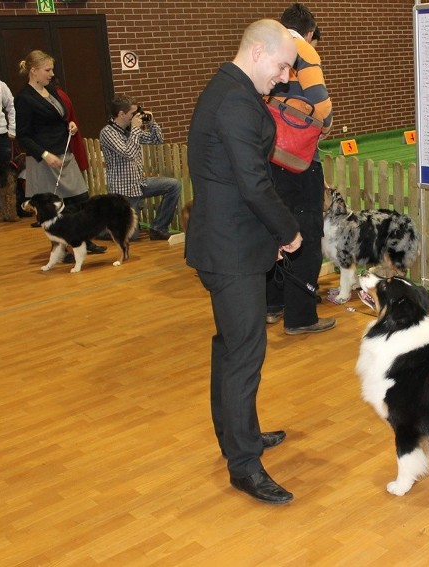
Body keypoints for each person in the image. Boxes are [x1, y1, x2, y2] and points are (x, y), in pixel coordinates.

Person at [185, 19, 302, 505]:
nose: (283, 77)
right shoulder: (235, 101)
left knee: (232, 347)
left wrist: (264, 238)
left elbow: (236, 183)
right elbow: (254, 184)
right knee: (244, 355)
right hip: (228, 248)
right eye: (281, 67)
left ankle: (241, 437)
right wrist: (288, 232)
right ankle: (244, 466)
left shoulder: (227, 88)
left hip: (231, 240)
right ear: (257, 52)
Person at [265, 3, 336, 335]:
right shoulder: (303, 50)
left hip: (267, 155)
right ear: (309, 32)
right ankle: (301, 316)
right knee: (306, 234)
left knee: (275, 227)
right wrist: (324, 126)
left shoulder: (266, 44)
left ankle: (272, 305)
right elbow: (321, 105)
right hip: (299, 160)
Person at [14, 49, 105, 255]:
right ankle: (60, 250)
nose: (51, 74)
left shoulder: (51, 90)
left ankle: (84, 242)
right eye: (47, 70)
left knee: (81, 199)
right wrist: (44, 154)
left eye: (51, 69)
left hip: (65, 154)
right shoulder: (24, 99)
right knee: (52, 209)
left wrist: (70, 124)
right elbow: (23, 136)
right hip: (45, 160)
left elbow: (60, 117)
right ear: (33, 71)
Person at [99, 94, 181, 241]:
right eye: (133, 113)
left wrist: (151, 123)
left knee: (173, 185)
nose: (136, 116)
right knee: (132, 237)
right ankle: (105, 227)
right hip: (124, 191)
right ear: (121, 114)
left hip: (140, 183)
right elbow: (128, 153)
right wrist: (136, 129)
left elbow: (157, 140)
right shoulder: (108, 132)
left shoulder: (130, 130)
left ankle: (158, 228)